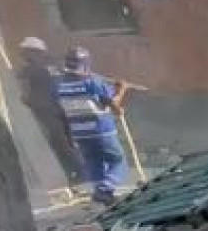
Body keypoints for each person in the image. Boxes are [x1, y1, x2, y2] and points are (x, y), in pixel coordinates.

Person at [52, 46, 132, 205]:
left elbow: (61, 113)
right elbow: (115, 107)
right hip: (101, 131)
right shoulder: (93, 82)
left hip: (79, 134)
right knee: (118, 161)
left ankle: (102, 195)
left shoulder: (58, 86)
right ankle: (105, 189)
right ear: (86, 64)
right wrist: (122, 89)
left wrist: (69, 136)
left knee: (94, 162)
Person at [15, 36, 82, 185]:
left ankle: (76, 173)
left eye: (25, 52)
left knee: (58, 143)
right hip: (63, 107)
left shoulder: (31, 69)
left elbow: (23, 90)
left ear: (34, 52)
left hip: (47, 110)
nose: (23, 55)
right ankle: (77, 172)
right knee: (68, 141)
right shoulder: (55, 64)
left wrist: (26, 100)